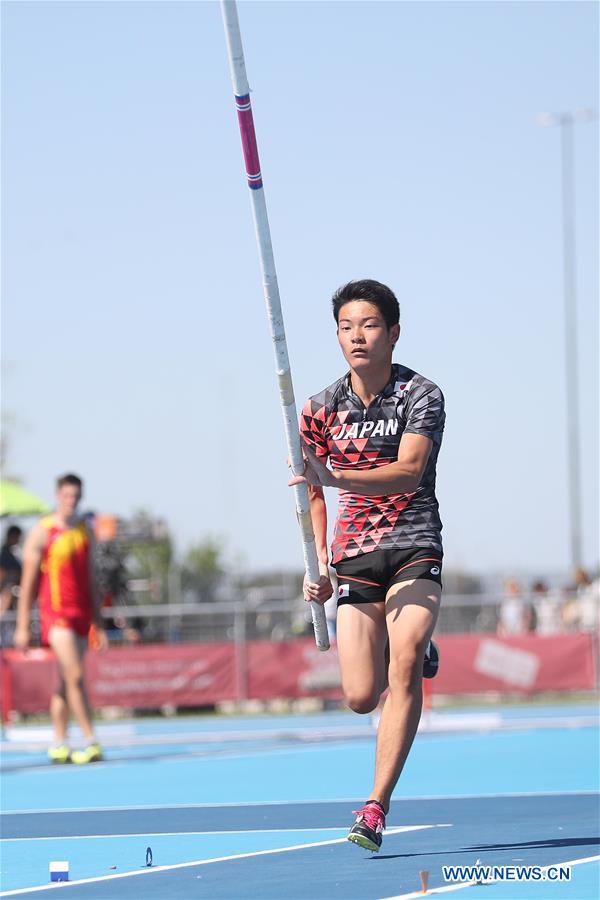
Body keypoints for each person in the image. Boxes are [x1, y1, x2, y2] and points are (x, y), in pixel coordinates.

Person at [290, 279, 444, 853]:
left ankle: (376, 804)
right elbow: (310, 493)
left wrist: (337, 476)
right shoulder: (317, 409)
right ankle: (408, 642)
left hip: (412, 542)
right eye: (347, 327)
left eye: (370, 325)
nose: (357, 336)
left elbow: (407, 472)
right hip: (354, 555)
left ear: (394, 333)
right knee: (359, 695)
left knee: (404, 664)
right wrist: (317, 564)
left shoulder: (421, 395)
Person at [14, 474, 107, 764]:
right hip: (56, 617)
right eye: (67, 495)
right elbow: (28, 583)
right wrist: (21, 626)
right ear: (58, 495)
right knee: (75, 676)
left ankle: (58, 743)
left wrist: (99, 621)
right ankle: (90, 739)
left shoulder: (84, 531)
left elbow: (92, 581)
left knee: (65, 681)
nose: (72, 501)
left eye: (76, 496)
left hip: (81, 616)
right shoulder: (42, 532)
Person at [0, 525, 23, 645]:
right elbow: (3, 573)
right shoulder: (5, 554)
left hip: (12, 596)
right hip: (6, 594)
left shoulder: (11, 553)